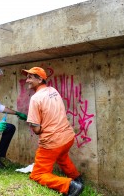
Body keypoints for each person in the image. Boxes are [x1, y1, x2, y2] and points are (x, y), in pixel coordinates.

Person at [21, 67, 84, 196]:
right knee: (62, 158)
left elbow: (37, 129)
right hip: (68, 137)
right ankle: (78, 179)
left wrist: (38, 127)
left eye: (30, 77)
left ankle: (71, 186)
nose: (27, 80)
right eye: (27, 77)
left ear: (40, 79)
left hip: (52, 142)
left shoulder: (35, 98)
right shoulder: (53, 91)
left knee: (37, 174)